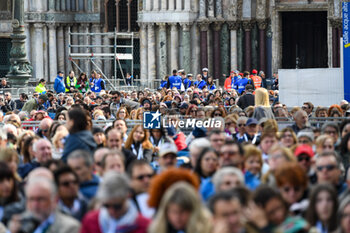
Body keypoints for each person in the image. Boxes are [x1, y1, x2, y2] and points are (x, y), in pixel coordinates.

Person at [81, 172, 150, 233]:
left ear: (128, 197)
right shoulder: (91, 221)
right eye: (106, 206)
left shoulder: (144, 226)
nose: (112, 211)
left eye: (117, 206)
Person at [15, 176, 80, 233]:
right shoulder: (20, 222)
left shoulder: (70, 227)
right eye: (31, 199)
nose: (35, 204)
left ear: (55, 200)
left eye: (40, 199)